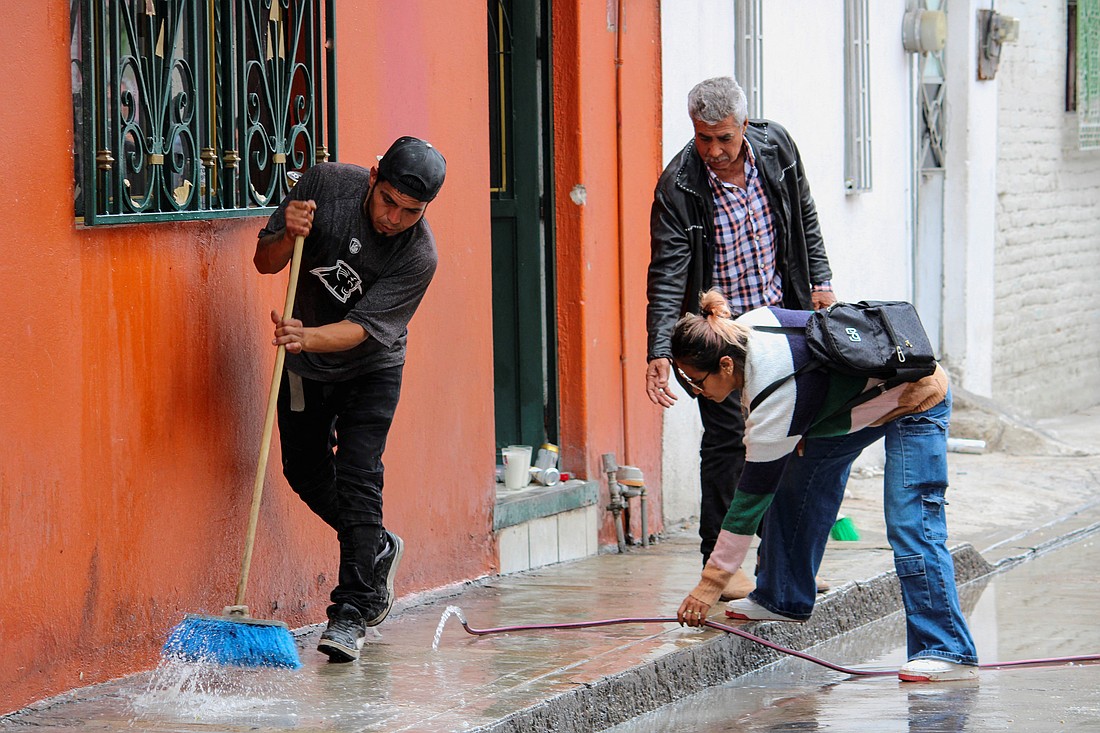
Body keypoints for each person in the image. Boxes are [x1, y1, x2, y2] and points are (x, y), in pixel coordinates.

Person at [672, 290, 979, 683]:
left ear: (726, 364)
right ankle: (781, 596)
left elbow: (748, 504)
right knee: (796, 475)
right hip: (856, 404)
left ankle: (948, 649)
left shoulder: (775, 394)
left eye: (696, 382)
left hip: (916, 398)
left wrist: (708, 586)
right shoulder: (744, 327)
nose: (695, 392)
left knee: (910, 521)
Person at [254, 136, 446, 662]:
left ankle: (352, 611)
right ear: (373, 175)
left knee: (360, 473)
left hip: (371, 368)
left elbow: (361, 331)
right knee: (304, 472)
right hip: (305, 364)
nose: (393, 219)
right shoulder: (324, 186)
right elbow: (265, 262)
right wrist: (286, 233)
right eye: (388, 201)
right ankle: (376, 545)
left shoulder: (419, 255)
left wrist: (305, 337)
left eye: (410, 212)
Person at [645, 76, 837, 599]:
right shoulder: (679, 185)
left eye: (723, 138)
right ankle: (720, 566)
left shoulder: (777, 149)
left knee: (792, 443)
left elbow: (806, 218)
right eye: (703, 138)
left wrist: (820, 283)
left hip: (784, 324)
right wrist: (660, 348)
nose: (713, 150)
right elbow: (666, 273)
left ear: (744, 127)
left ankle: (784, 567)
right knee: (729, 443)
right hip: (722, 337)